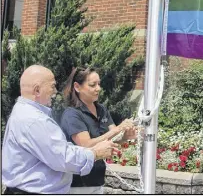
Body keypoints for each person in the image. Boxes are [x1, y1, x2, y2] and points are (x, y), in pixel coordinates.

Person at [1, 65, 118, 195]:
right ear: (37, 90)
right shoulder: (34, 120)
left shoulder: (25, 112)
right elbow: (63, 158)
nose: (55, 91)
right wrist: (95, 153)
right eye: (52, 86)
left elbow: (60, 149)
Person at [60, 67, 137, 194]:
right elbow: (86, 145)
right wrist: (117, 129)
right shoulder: (72, 114)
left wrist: (125, 137)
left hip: (97, 181)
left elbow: (112, 141)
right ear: (77, 87)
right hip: (77, 184)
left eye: (99, 84)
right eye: (92, 85)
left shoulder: (101, 109)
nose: (98, 88)